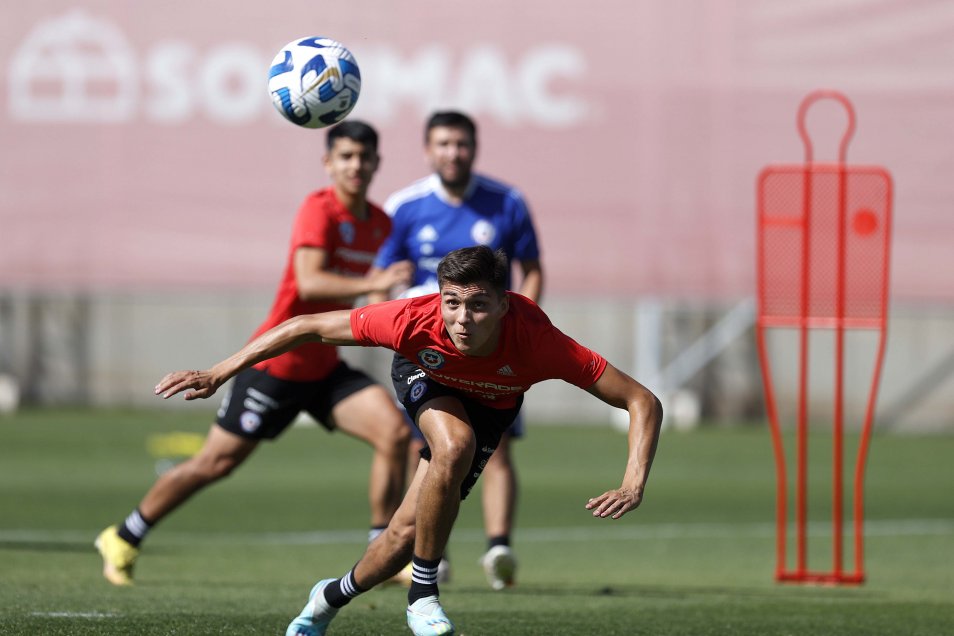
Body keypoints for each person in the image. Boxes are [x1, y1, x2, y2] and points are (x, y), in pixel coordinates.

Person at [155, 245, 663, 636]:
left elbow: (642, 400)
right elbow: (305, 326)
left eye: (478, 305)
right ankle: (424, 594)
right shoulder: (411, 320)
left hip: (491, 407)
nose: (462, 319)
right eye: (452, 303)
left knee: (401, 537)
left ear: (504, 305)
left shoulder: (540, 342)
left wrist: (633, 483)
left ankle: (326, 600)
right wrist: (219, 371)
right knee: (454, 444)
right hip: (427, 378)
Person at [95, 120, 414, 586]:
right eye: (346, 156)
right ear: (328, 163)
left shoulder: (381, 223)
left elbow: (370, 293)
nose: (356, 165)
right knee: (215, 463)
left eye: (364, 157)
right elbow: (309, 282)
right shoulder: (319, 209)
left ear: (377, 163)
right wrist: (374, 283)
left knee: (395, 433)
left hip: (324, 366)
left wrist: (389, 299)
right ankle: (124, 535)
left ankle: (380, 553)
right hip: (276, 364)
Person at [368, 110, 544, 590]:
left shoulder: (506, 202)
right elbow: (383, 275)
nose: (453, 153)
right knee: (423, 447)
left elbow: (532, 269)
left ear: (474, 148)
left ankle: (499, 548)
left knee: (498, 447)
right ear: (428, 150)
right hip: (428, 351)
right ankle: (432, 554)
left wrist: (522, 325)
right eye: (444, 144)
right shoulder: (406, 206)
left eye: (461, 144)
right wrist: (394, 304)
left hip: (492, 349)